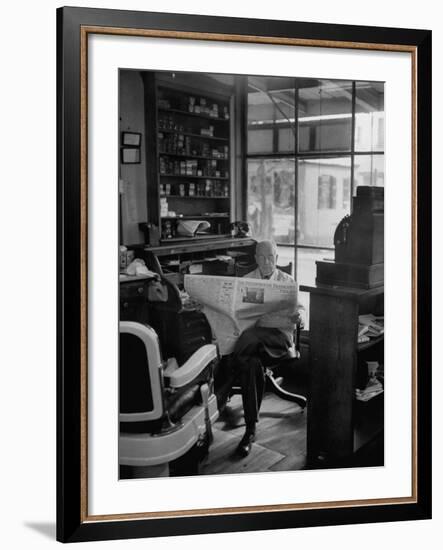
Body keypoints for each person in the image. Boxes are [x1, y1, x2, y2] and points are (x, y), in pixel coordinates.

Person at [232, 239, 303, 457]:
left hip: (279, 339)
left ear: (277, 258)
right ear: (255, 259)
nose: (266, 261)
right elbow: (236, 313)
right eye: (261, 257)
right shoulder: (246, 281)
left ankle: (224, 385)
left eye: (271, 257)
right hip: (254, 342)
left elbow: (300, 308)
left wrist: (299, 317)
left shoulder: (287, 281)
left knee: (247, 344)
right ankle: (250, 429)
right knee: (251, 361)